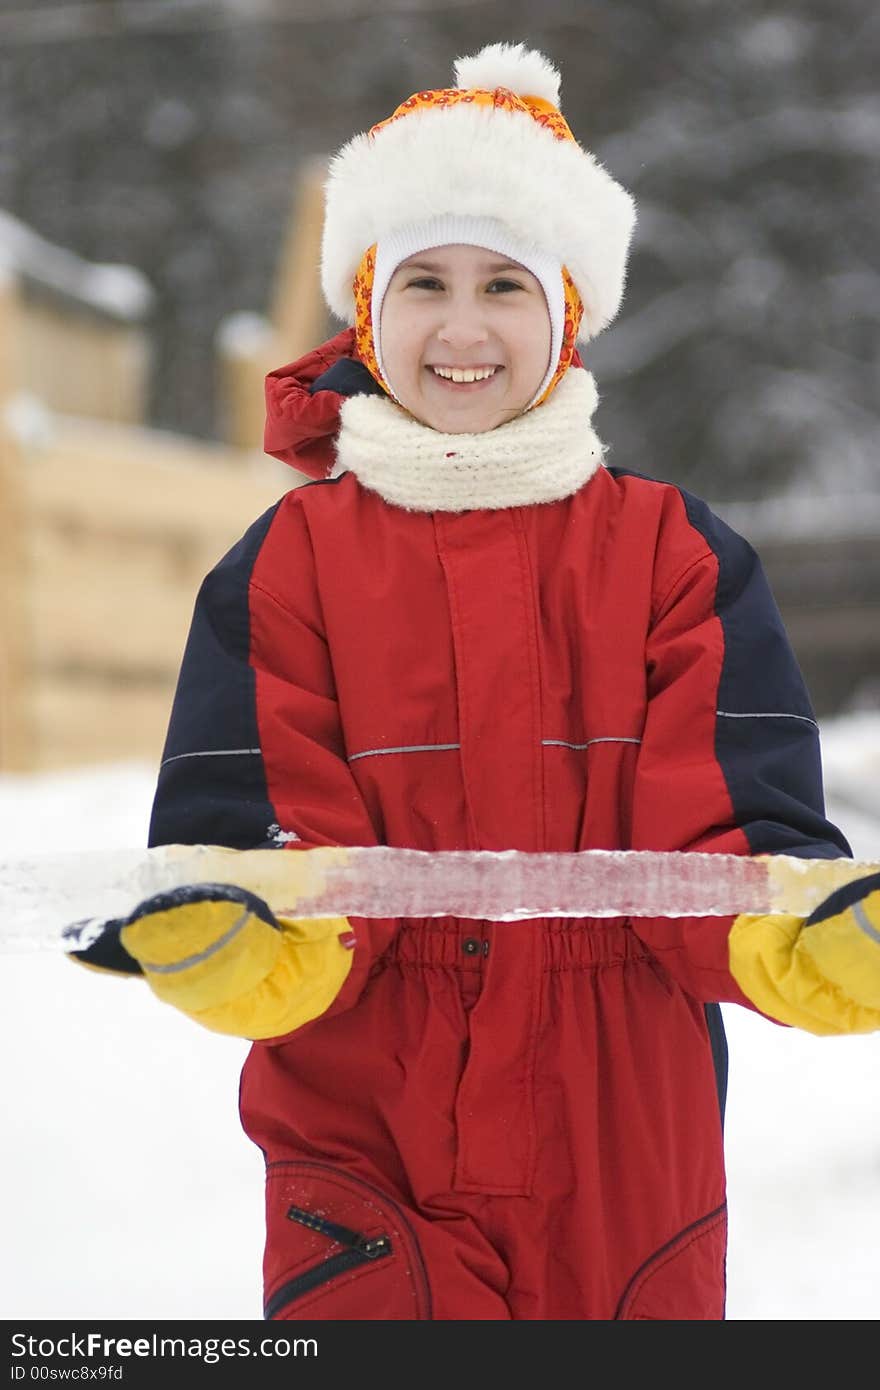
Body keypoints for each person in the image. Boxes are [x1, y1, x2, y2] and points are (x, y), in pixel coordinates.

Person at [71, 41, 880, 1321]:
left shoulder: (676, 555)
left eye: (503, 284)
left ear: (564, 309)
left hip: (626, 1137)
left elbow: (728, 837)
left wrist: (810, 937)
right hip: (366, 1119)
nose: (461, 326)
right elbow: (257, 828)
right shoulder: (289, 565)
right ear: (367, 313)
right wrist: (241, 931)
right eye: (424, 283)